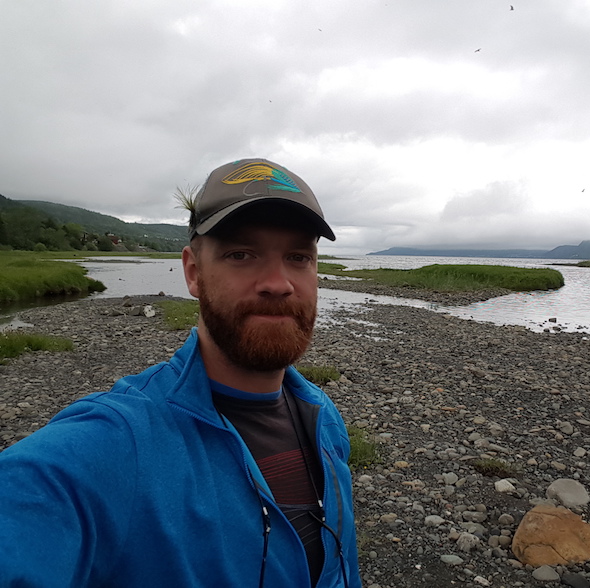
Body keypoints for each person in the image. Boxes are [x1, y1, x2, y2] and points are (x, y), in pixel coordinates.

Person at [0, 158, 360, 587]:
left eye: (298, 256)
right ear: (192, 271)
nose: (278, 282)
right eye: (241, 254)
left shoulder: (324, 418)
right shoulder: (113, 444)